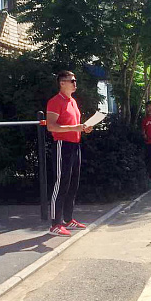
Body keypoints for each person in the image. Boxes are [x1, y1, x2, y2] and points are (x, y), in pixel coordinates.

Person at [46, 71, 93, 237]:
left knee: (73, 183)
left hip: (75, 145)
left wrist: (84, 128)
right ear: (62, 83)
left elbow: (74, 125)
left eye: (75, 80)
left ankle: (67, 219)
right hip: (62, 145)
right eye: (72, 80)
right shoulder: (55, 101)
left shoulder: (73, 101)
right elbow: (51, 126)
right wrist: (75, 127)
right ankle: (55, 224)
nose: (75, 83)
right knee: (61, 183)